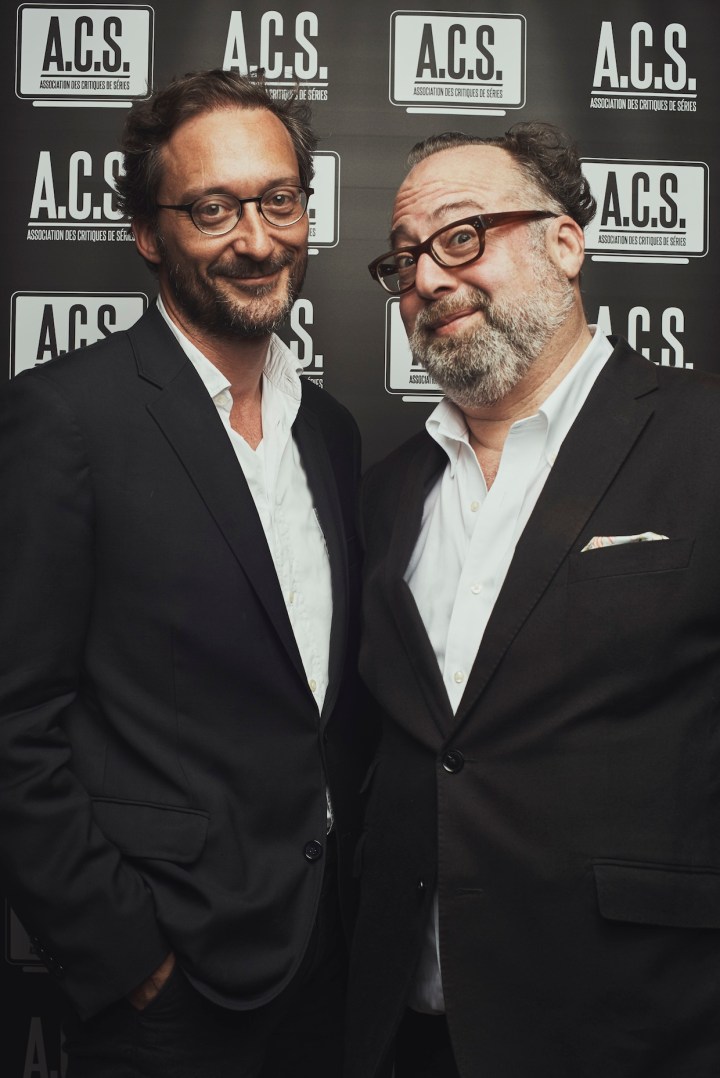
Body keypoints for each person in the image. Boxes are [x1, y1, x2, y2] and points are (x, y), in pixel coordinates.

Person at [0, 68, 372, 1078]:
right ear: (148, 232)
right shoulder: (66, 418)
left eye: (278, 200)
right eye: (213, 208)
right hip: (172, 989)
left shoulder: (332, 434)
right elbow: (14, 718)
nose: (256, 239)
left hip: (327, 965)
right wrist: (127, 953)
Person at [346, 122, 720, 1078]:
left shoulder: (702, 439)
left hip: (642, 1026)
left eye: (461, 236)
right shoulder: (387, 492)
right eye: (404, 262)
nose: (427, 279)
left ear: (565, 241)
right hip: (406, 1028)